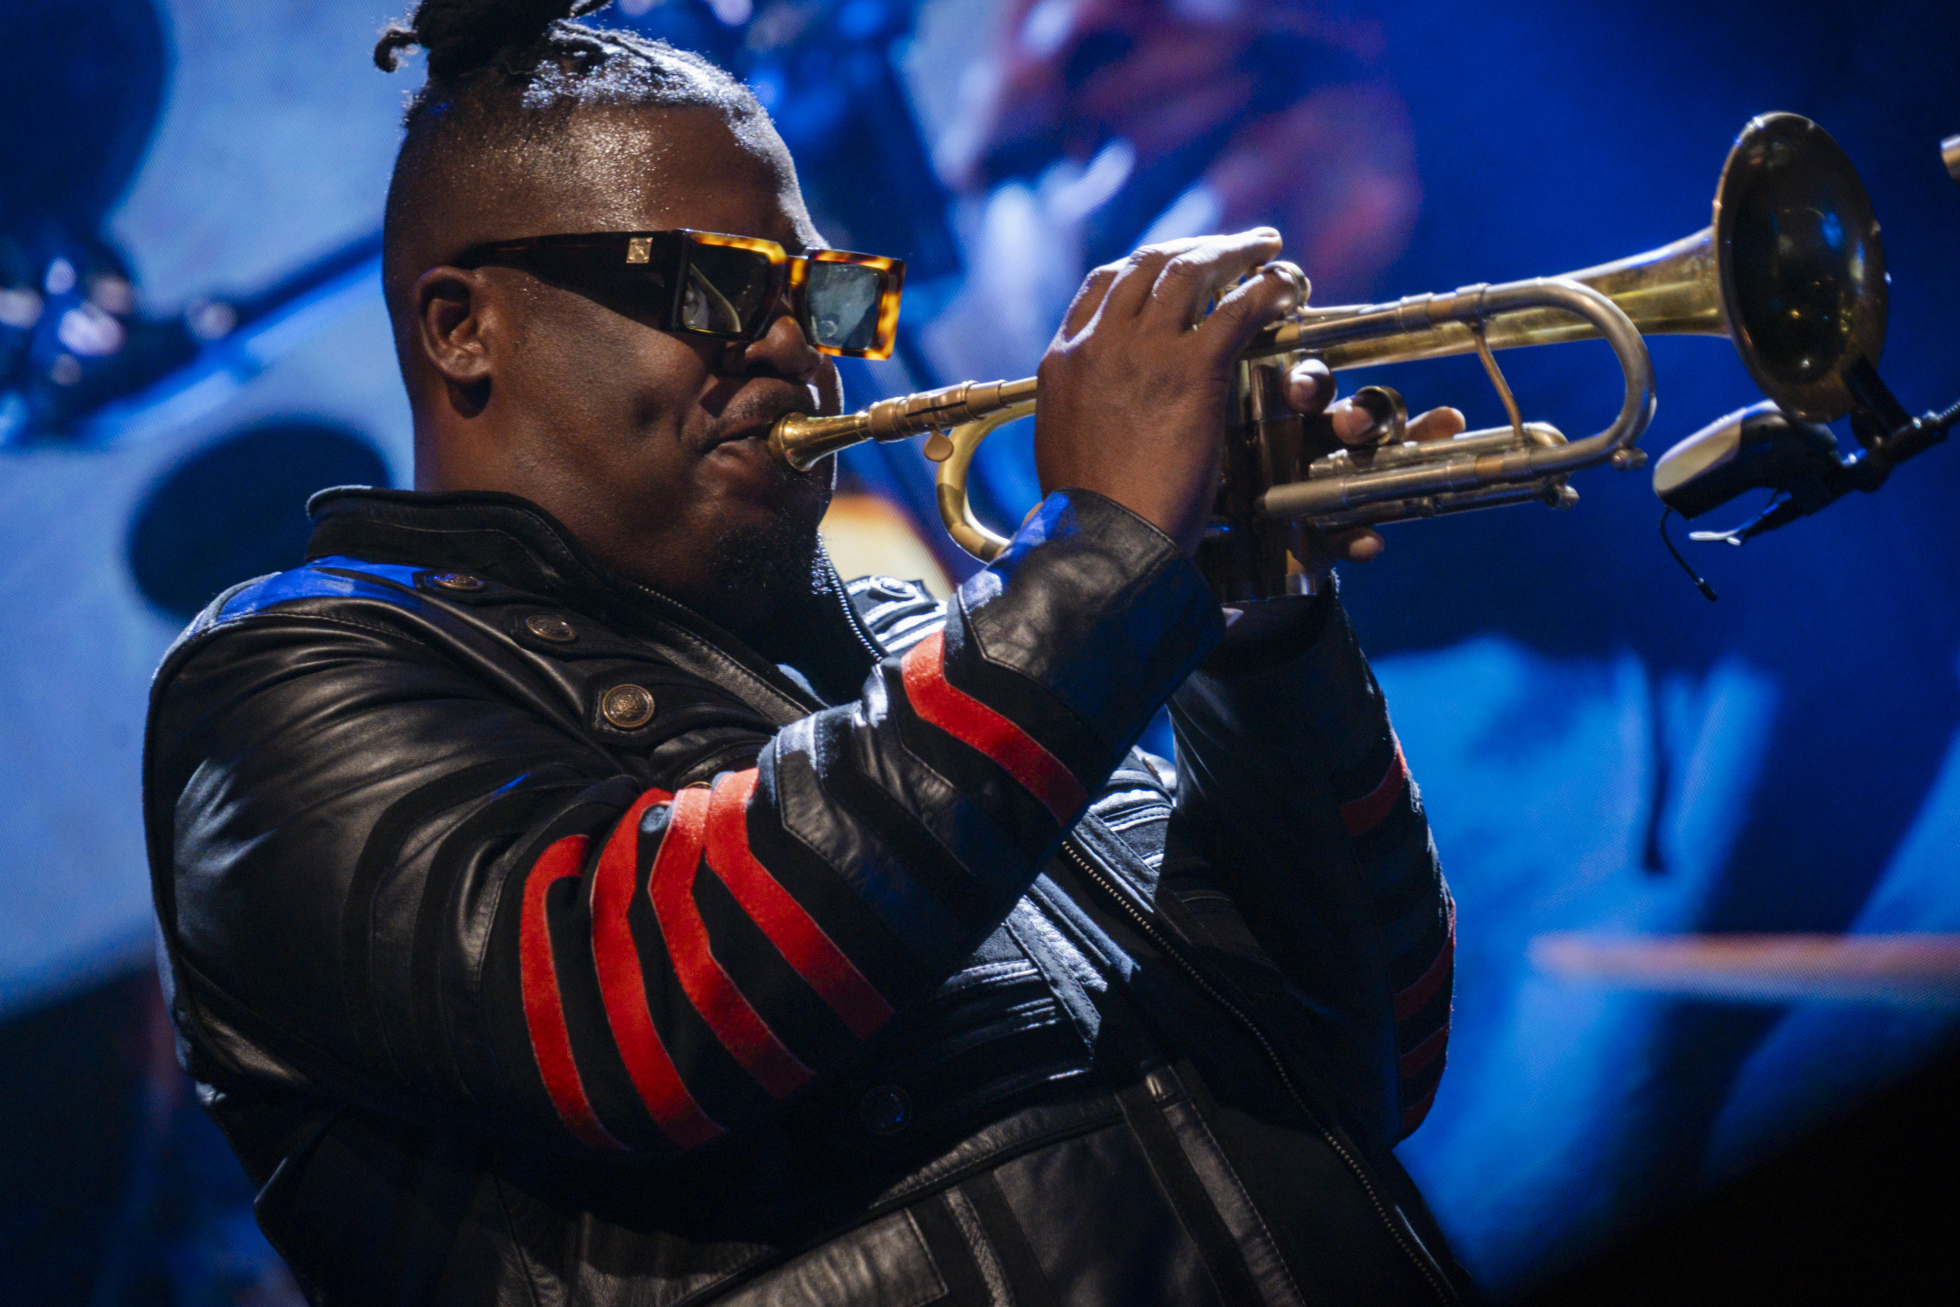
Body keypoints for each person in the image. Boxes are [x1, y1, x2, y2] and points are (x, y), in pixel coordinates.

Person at [142, 2, 1470, 1302]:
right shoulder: (281, 684)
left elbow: (1367, 1061)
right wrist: (1102, 556)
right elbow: (639, 1014)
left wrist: (1257, 637)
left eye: (821, 297)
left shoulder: (936, 649)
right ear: (462, 328)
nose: (791, 346)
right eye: (714, 284)